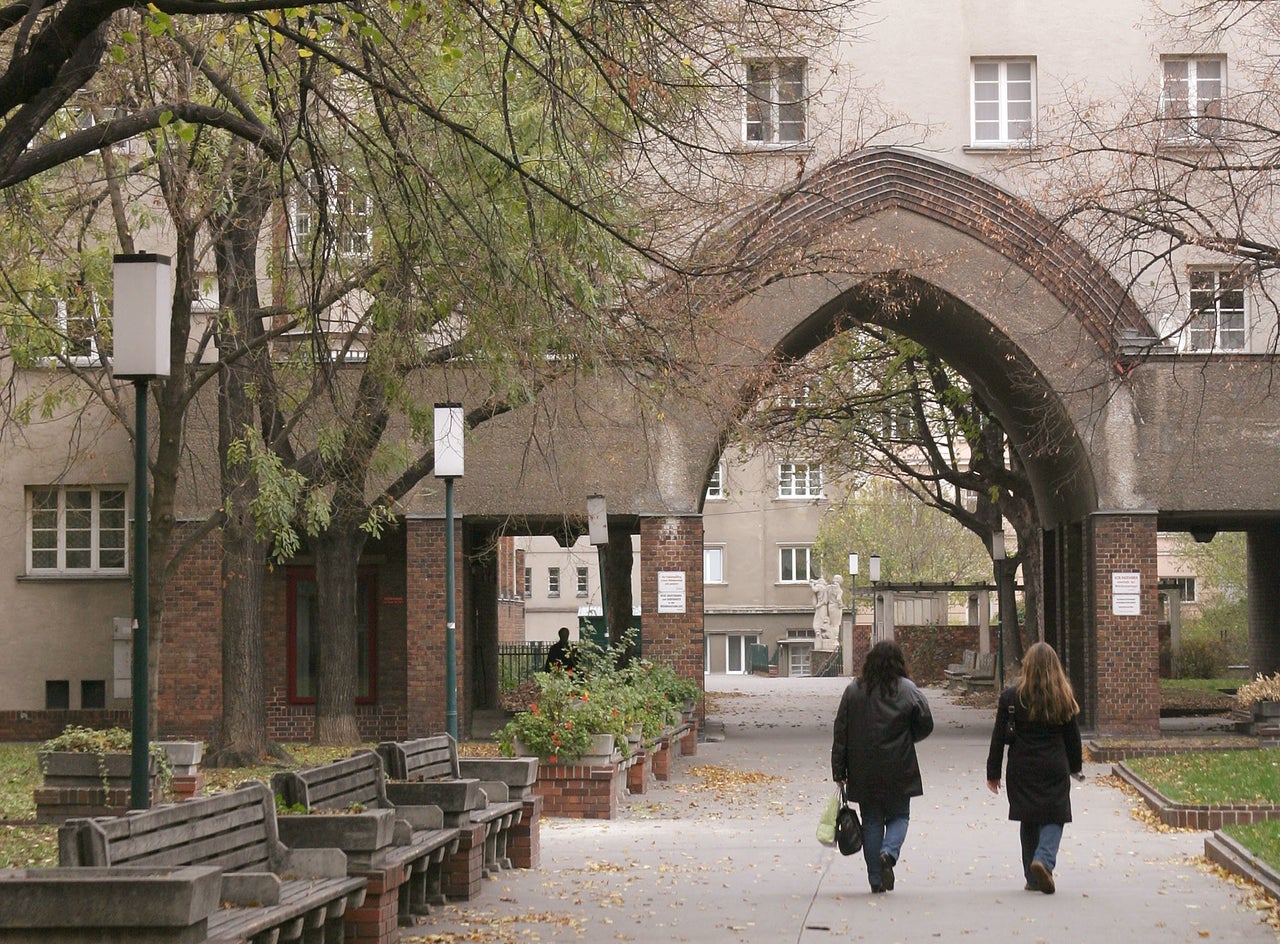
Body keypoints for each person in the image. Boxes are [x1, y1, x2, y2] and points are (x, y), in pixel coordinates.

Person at [831, 639, 934, 893]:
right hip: (900, 765)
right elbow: (926, 722)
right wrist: (909, 737)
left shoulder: (854, 691)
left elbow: (841, 731)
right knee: (900, 815)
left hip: (863, 768)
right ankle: (889, 853)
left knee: (872, 820)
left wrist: (839, 770)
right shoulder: (908, 690)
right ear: (899, 662)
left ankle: (875, 880)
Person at [986, 641, 1083, 895]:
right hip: (1053, 764)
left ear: (1027, 665)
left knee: (1028, 818)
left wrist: (993, 772)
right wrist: (1075, 766)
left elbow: (998, 737)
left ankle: (1032, 876)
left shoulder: (1011, 696)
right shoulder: (1063, 695)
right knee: (1055, 815)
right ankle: (1044, 859)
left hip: (1021, 766)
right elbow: (1073, 737)